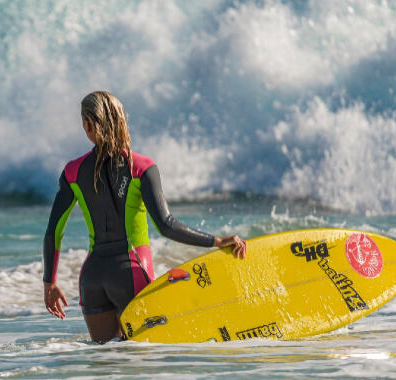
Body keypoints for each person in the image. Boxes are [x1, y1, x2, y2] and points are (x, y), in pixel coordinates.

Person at [42, 91, 247, 344]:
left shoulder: (72, 171)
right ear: (121, 121)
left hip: (92, 278)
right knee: (142, 364)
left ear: (86, 126)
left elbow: (54, 231)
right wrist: (215, 241)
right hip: (131, 272)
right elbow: (166, 226)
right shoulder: (140, 167)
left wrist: (50, 283)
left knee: (105, 365)